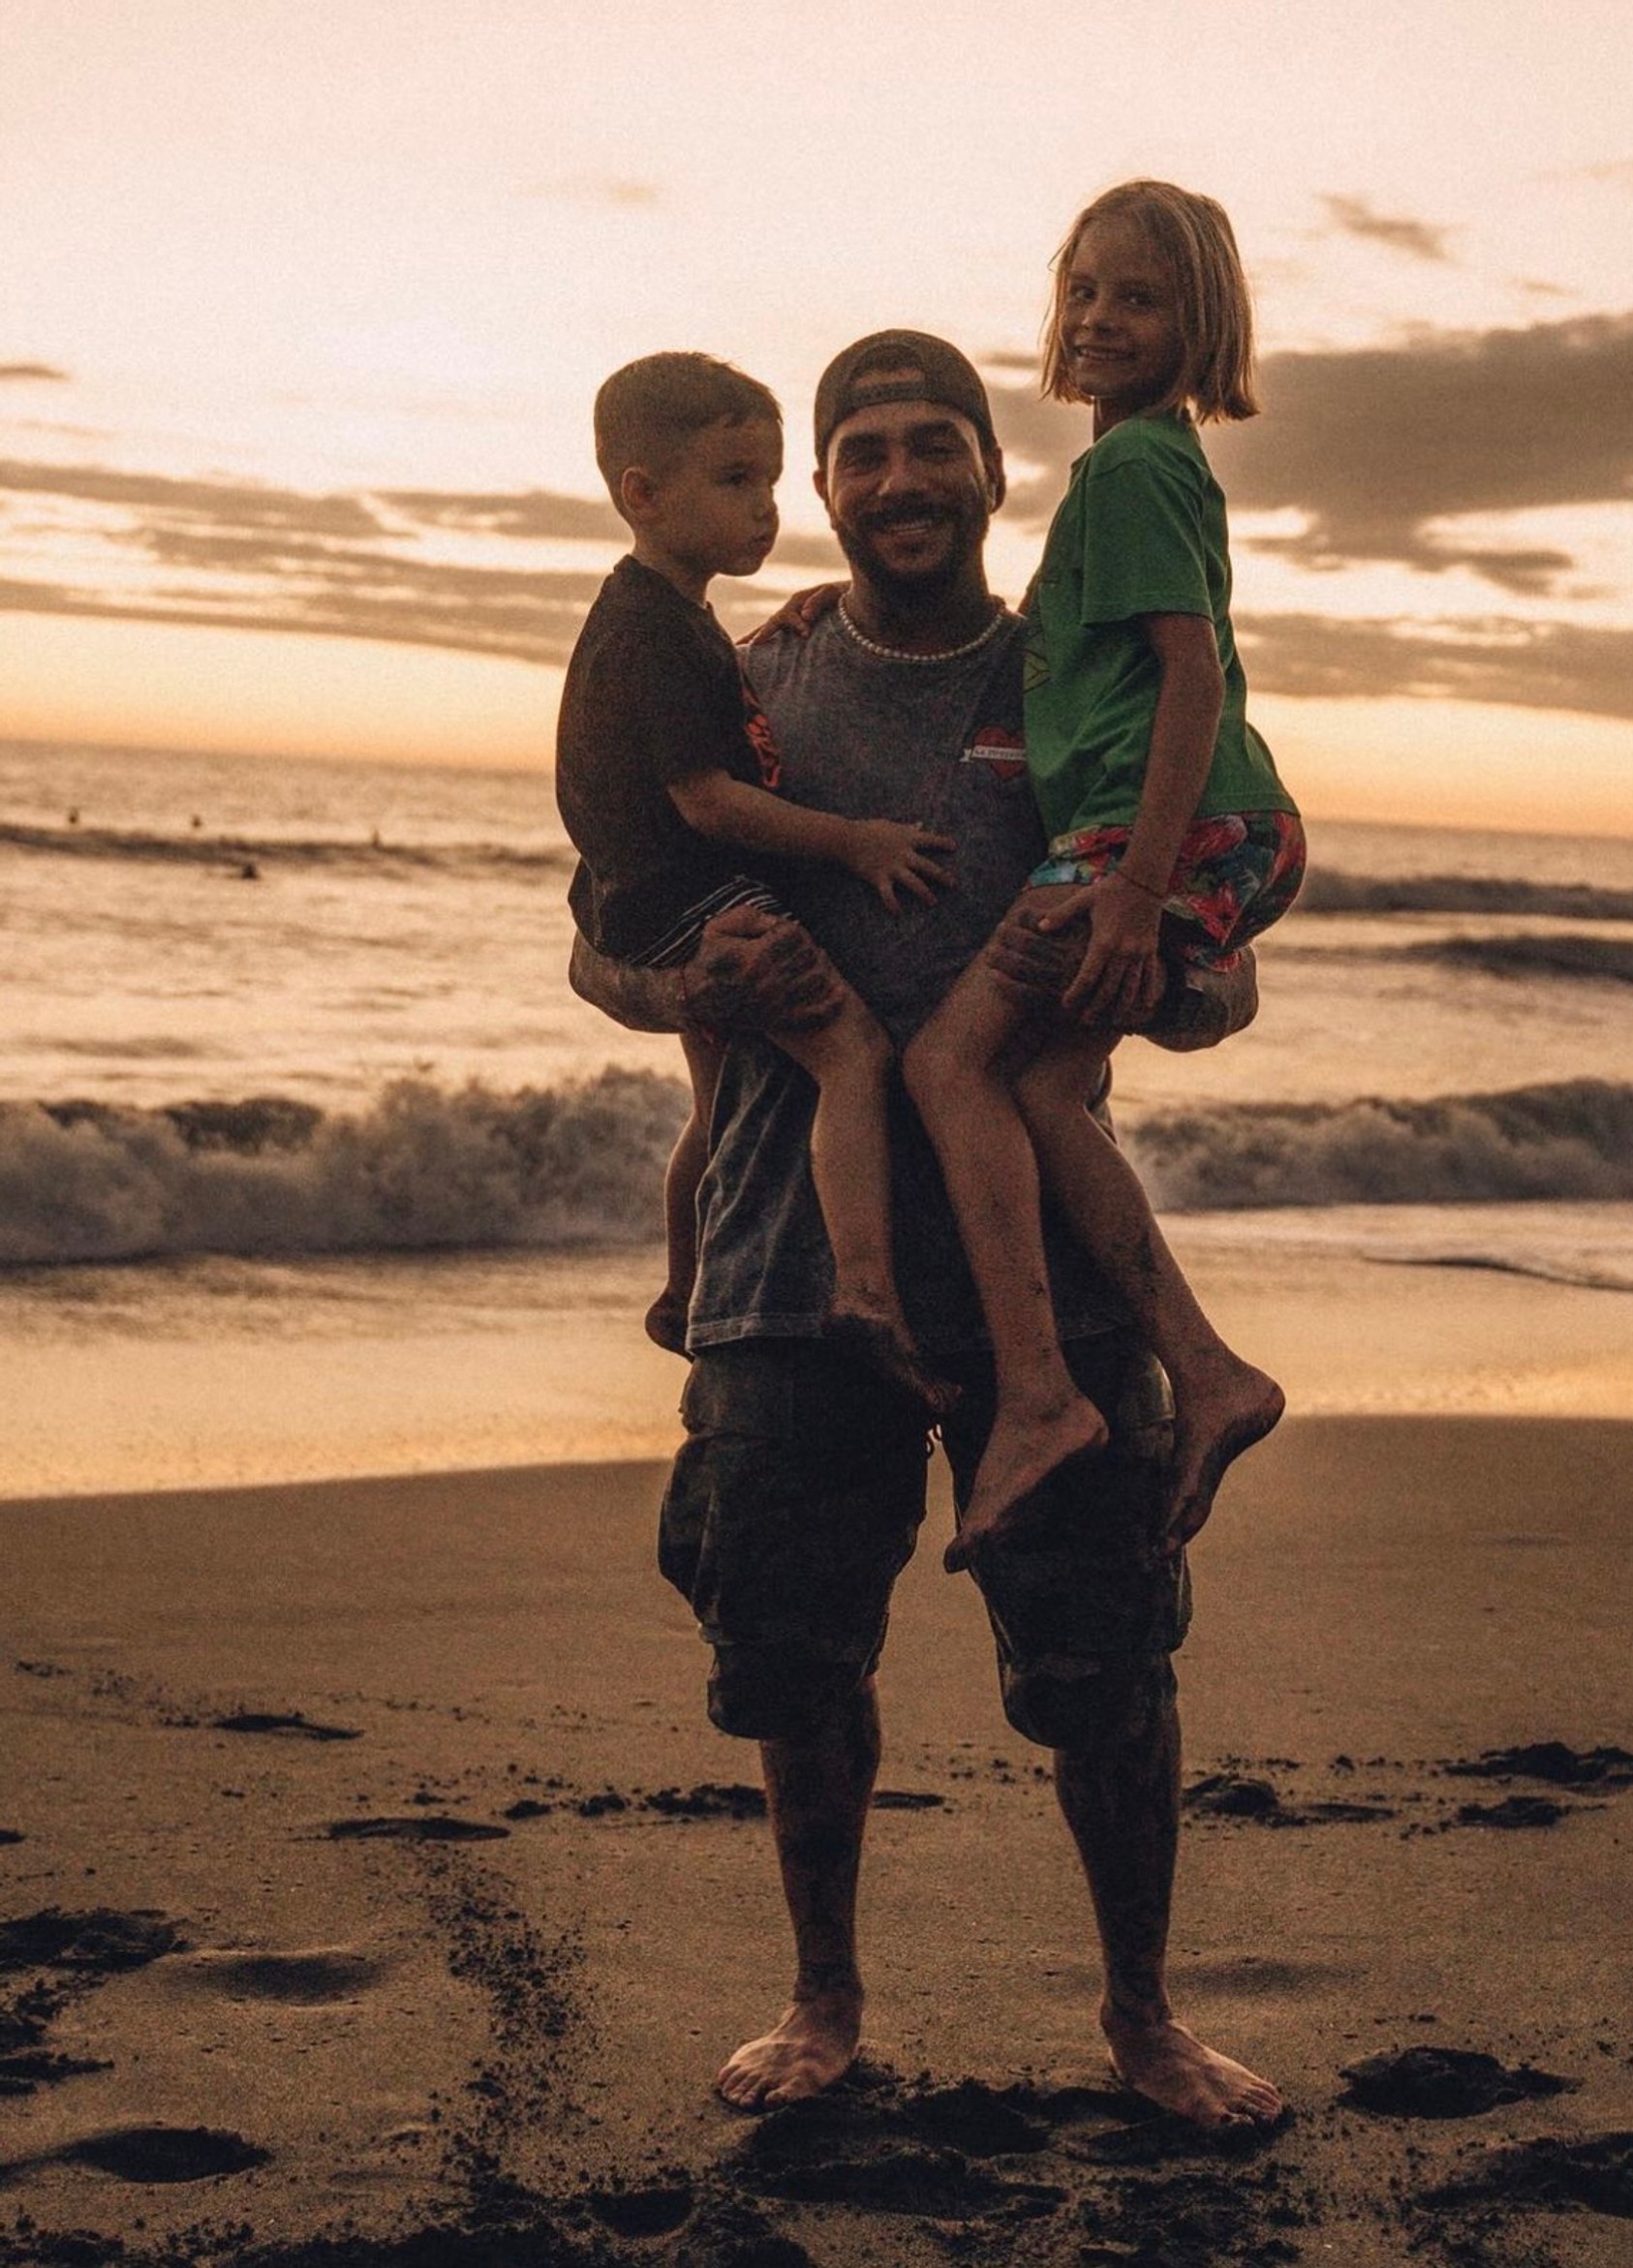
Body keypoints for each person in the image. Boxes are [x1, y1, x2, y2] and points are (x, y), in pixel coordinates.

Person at [569, 329, 1282, 2131]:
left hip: (1045, 1282)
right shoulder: (749, 680)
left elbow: (1218, 951)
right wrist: (672, 982)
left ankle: (1143, 2015)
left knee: (1108, 1664)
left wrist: (1177, 990)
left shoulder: (1077, 670)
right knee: (794, 1657)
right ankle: (822, 2000)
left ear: (992, 469)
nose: (898, 480)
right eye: (863, 452)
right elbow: (599, 930)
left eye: (932, 445)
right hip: (782, 1267)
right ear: (819, 487)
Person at [903, 181, 1305, 1572]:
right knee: (1040, 1086)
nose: (1099, 318)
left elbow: (1193, 679)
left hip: (1156, 828)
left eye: (1139, 297)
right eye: (1082, 291)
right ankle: (1209, 1370)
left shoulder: (1132, 466)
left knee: (949, 1063)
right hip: (1208, 825)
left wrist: (1134, 890)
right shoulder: (1145, 467)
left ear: (1203, 322)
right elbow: (1092, 653)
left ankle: (1040, 1394)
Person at [556, 351, 954, 1409]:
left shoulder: (667, 619)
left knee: (715, 1102)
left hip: (644, 900)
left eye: (771, 481)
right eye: (736, 481)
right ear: (643, 495)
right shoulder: (658, 635)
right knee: (851, 1052)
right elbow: (707, 799)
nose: (765, 507)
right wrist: (855, 842)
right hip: (694, 899)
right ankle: (864, 1287)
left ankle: (679, 1288)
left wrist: (799, 612)